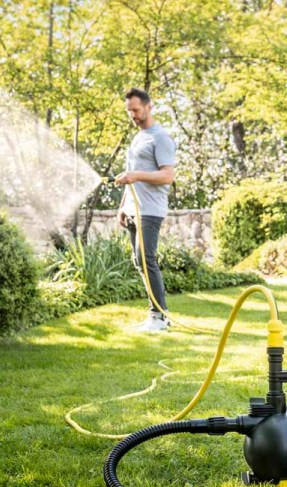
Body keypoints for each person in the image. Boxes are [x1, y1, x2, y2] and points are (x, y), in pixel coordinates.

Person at [115, 88, 176, 332]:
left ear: (149, 107)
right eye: (129, 110)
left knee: (146, 259)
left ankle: (159, 316)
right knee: (139, 261)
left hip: (150, 210)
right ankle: (157, 313)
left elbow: (167, 176)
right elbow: (131, 177)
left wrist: (137, 175)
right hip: (133, 209)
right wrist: (122, 206)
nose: (133, 114)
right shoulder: (138, 138)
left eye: (136, 110)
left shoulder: (160, 137)